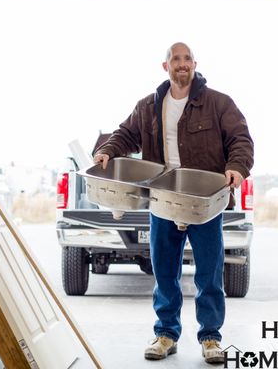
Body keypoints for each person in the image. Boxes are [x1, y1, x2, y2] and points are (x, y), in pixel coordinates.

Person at [93, 42, 254, 364]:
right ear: (165, 66)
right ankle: (166, 334)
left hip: (202, 201)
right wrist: (108, 150)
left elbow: (240, 139)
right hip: (162, 199)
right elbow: (125, 134)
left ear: (194, 64)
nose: (182, 64)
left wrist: (236, 167)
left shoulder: (219, 103)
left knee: (209, 273)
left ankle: (211, 338)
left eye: (187, 59)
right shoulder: (148, 106)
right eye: (175, 59)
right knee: (165, 272)